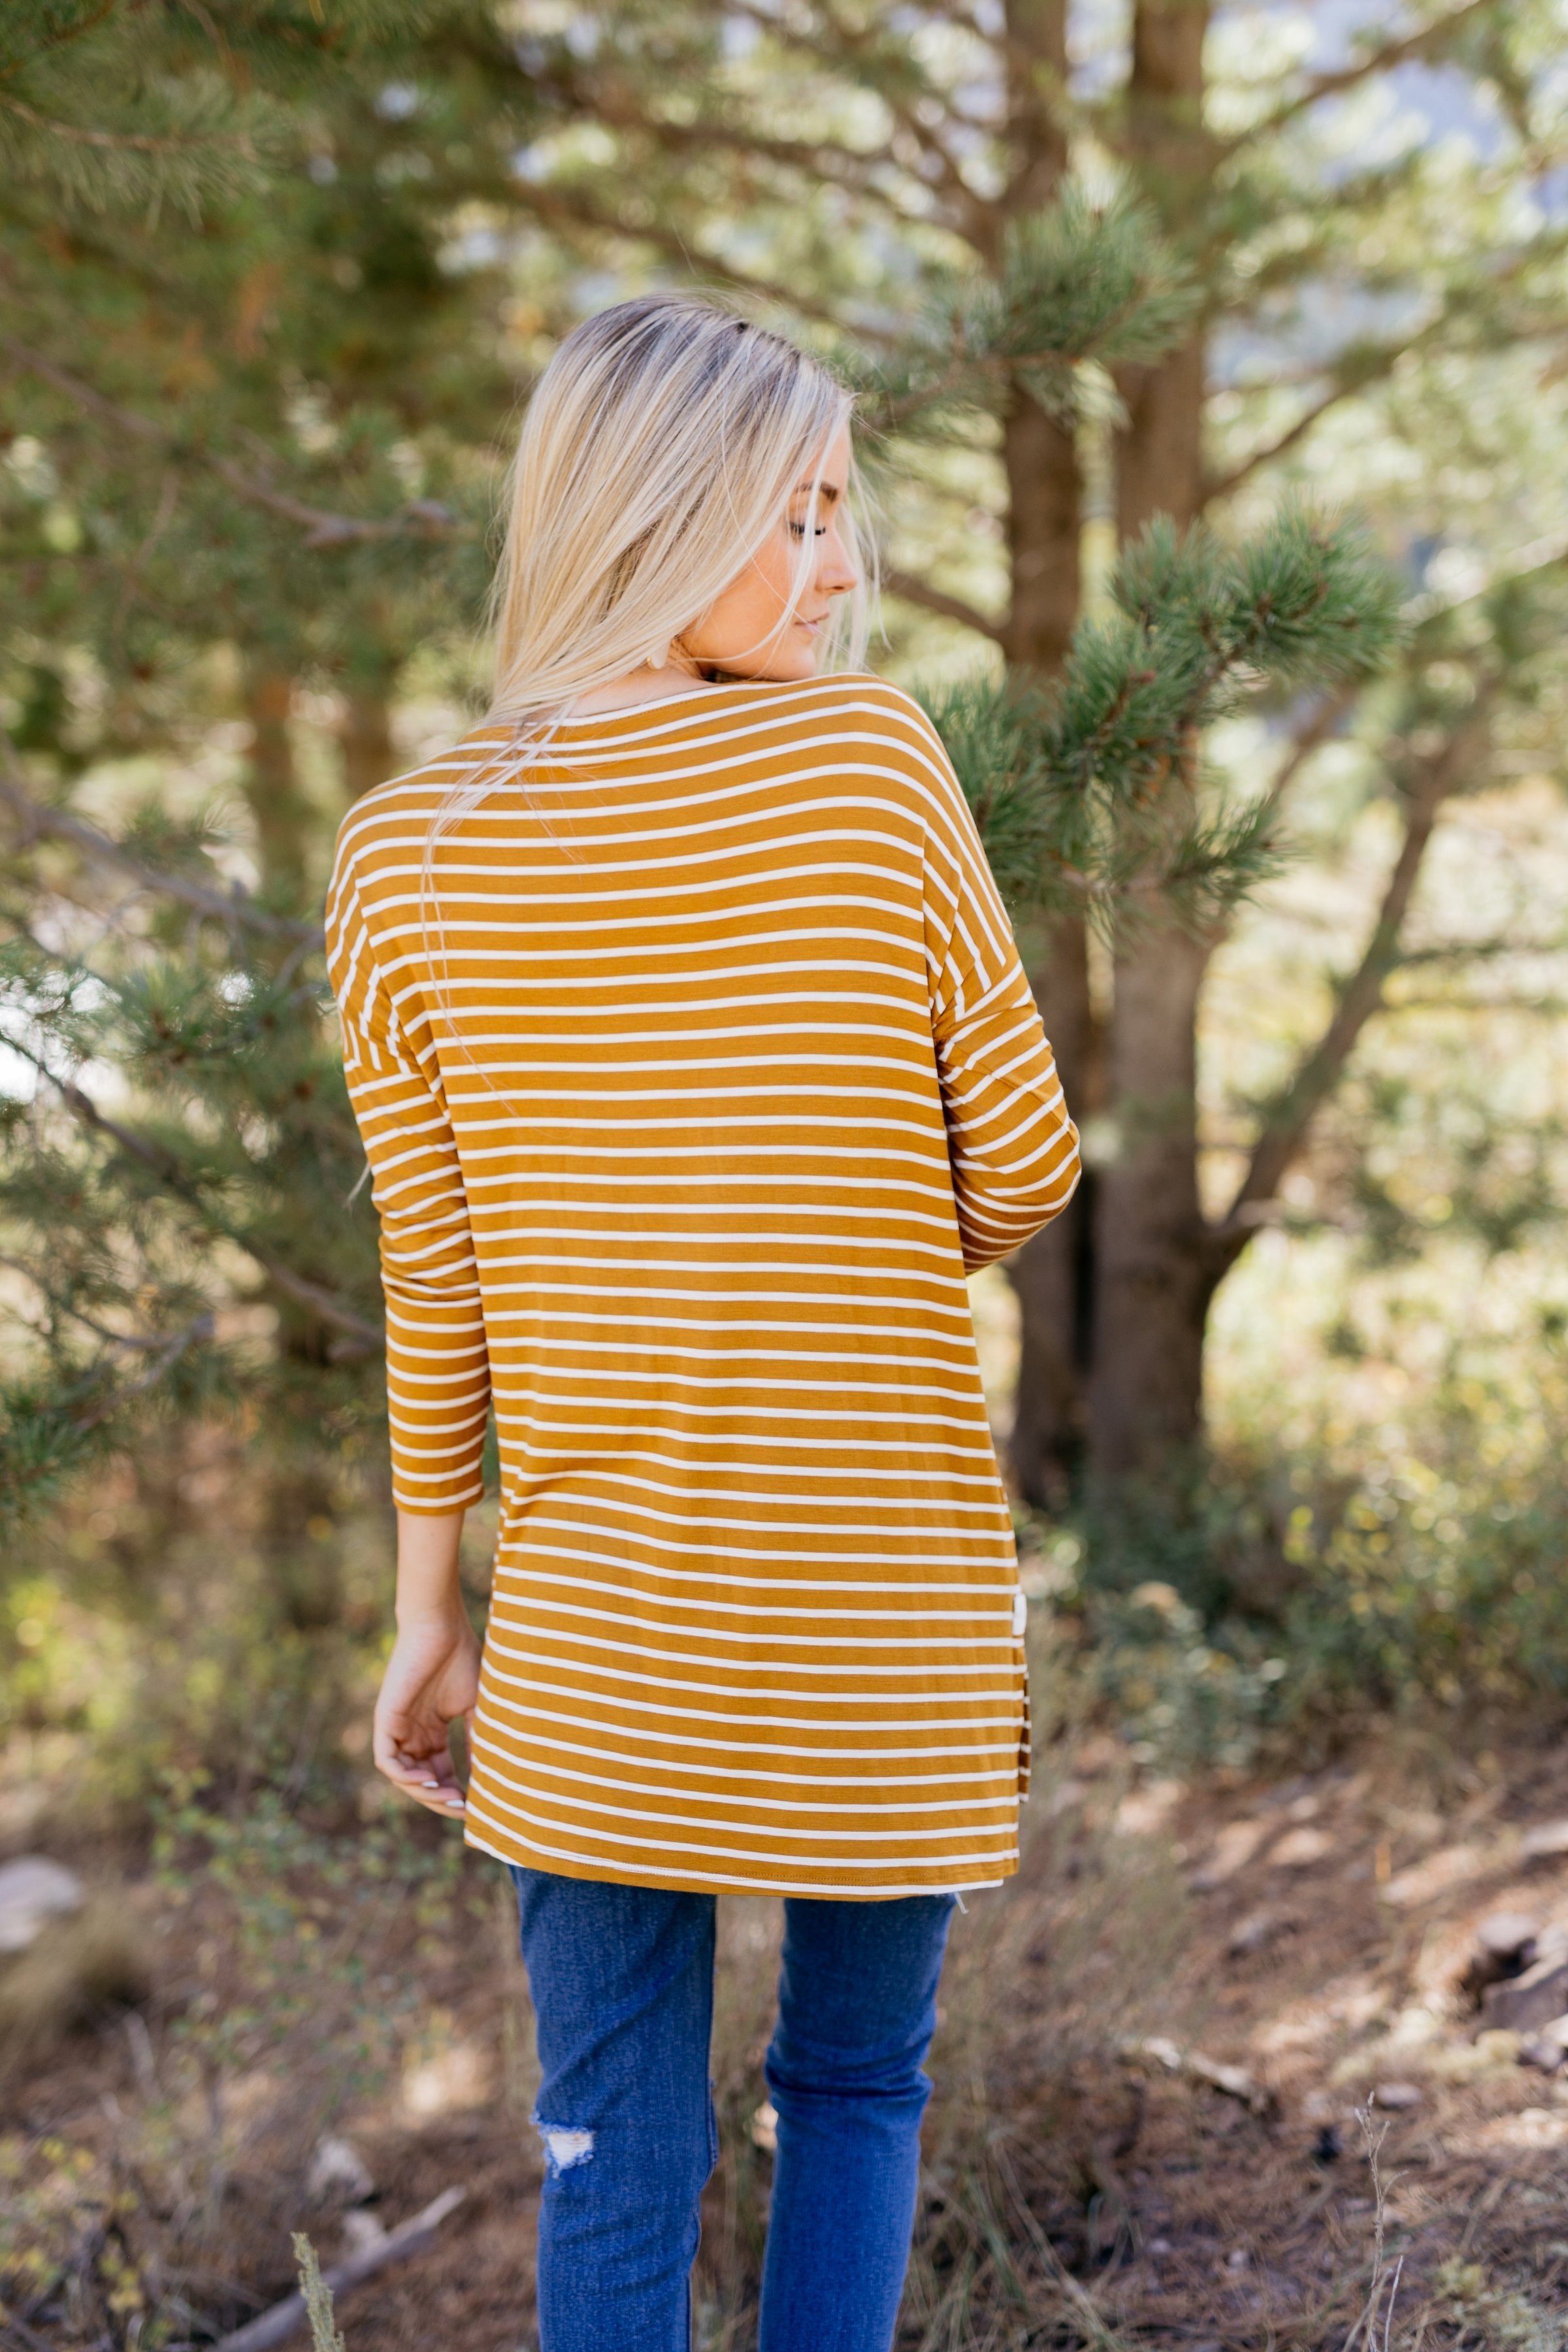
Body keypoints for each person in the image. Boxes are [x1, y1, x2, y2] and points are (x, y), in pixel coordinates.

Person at [325, 293, 1080, 2352]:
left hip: (599, 1633)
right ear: (657, 516)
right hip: (879, 1592)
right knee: (851, 2091)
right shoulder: (871, 766)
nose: (841, 575)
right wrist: (816, 1239)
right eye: (799, 516)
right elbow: (1023, 1172)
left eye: (845, 516)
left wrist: (426, 1614)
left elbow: (443, 1286)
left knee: (606, 2144)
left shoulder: (408, 853)